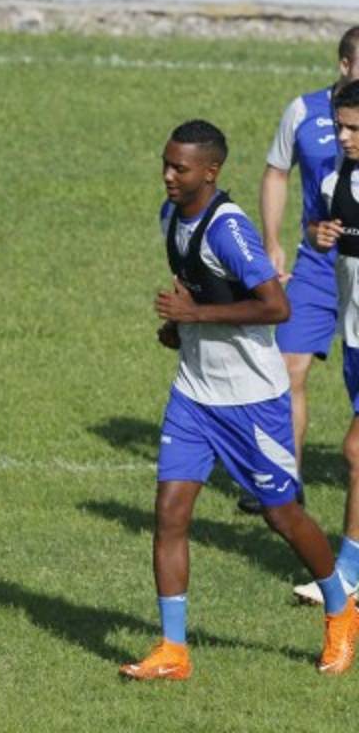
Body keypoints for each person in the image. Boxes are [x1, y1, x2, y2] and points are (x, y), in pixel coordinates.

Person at [119, 119, 357, 680]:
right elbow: (200, 290)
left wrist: (194, 317)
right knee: (170, 514)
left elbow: (277, 307)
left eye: (180, 167)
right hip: (194, 396)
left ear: (211, 171)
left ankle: (341, 611)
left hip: (252, 402)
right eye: (165, 163)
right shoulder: (170, 217)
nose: (168, 175)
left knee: (282, 515)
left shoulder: (230, 229)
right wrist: (181, 331)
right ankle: (174, 650)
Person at [244, 27, 359, 515]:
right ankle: (285, 486)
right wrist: (273, 242)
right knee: (287, 369)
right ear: (344, 65)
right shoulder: (304, 112)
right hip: (317, 262)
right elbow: (276, 170)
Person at [297, 81, 359, 605]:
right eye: (339, 125)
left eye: (354, 128)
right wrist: (318, 236)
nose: (342, 136)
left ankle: (348, 574)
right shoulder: (336, 177)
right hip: (354, 334)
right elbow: (322, 230)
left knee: (356, 449)